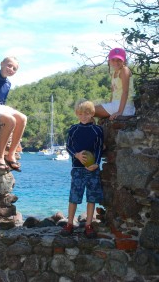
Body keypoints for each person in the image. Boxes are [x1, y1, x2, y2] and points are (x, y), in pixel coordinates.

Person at [61, 99, 104, 238]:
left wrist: (96, 163)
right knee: (74, 197)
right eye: (80, 113)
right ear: (77, 114)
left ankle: (88, 225)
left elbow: (99, 148)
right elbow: (68, 146)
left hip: (93, 169)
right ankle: (69, 224)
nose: (83, 116)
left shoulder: (97, 130)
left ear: (92, 113)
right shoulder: (73, 129)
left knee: (91, 198)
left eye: (87, 113)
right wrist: (77, 155)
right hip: (77, 168)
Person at [95, 48, 135, 120]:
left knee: (87, 110)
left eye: (119, 60)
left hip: (125, 106)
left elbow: (125, 92)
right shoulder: (114, 73)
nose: (116, 62)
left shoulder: (124, 70)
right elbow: (113, 93)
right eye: (113, 60)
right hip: (115, 104)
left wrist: (119, 112)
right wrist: (109, 105)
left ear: (124, 61)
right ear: (109, 61)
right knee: (87, 110)